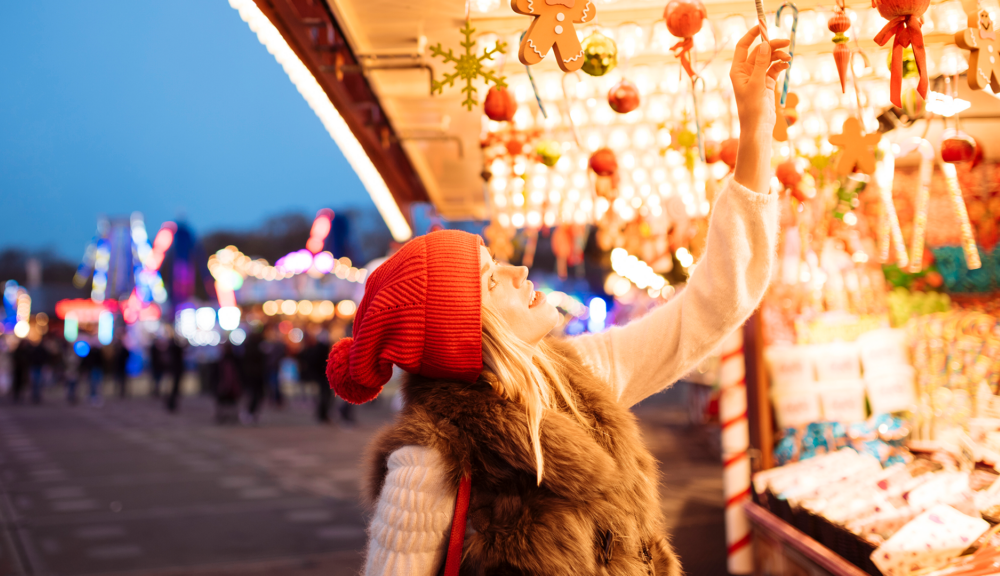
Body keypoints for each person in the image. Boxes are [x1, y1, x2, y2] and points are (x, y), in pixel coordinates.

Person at [328, 28, 788, 576]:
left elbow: (714, 303)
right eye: (489, 279)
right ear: (466, 332)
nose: (517, 268)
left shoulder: (581, 379)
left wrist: (755, 129)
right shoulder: (428, 461)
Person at [165, 337, 186, 413]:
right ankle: (171, 404)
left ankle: (171, 403)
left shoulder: (171, 350)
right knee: (174, 388)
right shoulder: (176, 350)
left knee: (172, 388)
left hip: (174, 370)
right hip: (176, 371)